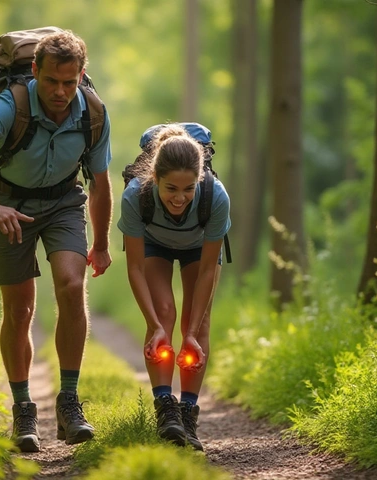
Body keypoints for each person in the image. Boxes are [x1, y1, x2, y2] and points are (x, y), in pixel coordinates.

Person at [0, 29, 113, 453]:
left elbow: (100, 183)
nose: (60, 91)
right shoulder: (10, 104)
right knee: (19, 309)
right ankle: (23, 408)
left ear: (81, 76)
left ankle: (70, 402)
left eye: (69, 82)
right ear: (35, 71)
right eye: (52, 81)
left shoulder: (92, 111)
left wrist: (104, 242)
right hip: (9, 205)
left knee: (73, 286)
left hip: (63, 202)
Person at [117, 124, 230, 451]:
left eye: (188, 188)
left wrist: (191, 333)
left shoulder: (216, 195)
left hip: (199, 247)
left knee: (199, 320)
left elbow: (209, 267)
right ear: (154, 177)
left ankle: (188, 414)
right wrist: (153, 325)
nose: (179, 198)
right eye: (170, 189)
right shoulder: (136, 195)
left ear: (199, 181)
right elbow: (135, 267)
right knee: (164, 313)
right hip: (155, 243)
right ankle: (165, 410)